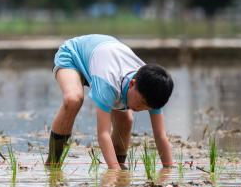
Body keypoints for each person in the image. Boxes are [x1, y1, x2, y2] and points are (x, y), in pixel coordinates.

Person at [46, 34, 174, 170]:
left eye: (147, 107)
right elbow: (103, 134)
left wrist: (169, 169)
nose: (141, 108)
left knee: (126, 120)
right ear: (132, 84)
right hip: (74, 55)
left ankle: (120, 163)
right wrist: (115, 172)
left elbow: (160, 135)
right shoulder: (108, 84)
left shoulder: (155, 90)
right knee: (73, 99)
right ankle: (52, 164)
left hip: (104, 59)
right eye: (141, 102)